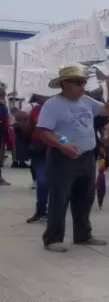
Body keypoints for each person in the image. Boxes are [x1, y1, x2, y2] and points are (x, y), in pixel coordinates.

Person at [34, 65, 109, 251]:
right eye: (78, 83)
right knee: (60, 198)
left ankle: (83, 235)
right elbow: (43, 131)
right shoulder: (53, 104)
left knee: (85, 197)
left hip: (87, 156)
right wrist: (62, 145)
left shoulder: (86, 101)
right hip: (63, 158)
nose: (82, 86)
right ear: (64, 84)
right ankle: (53, 239)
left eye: (84, 82)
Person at [24, 95, 49, 223]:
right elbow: (29, 128)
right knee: (42, 181)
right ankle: (41, 211)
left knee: (52, 183)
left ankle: (48, 211)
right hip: (40, 150)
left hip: (57, 150)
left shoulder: (59, 109)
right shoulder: (36, 110)